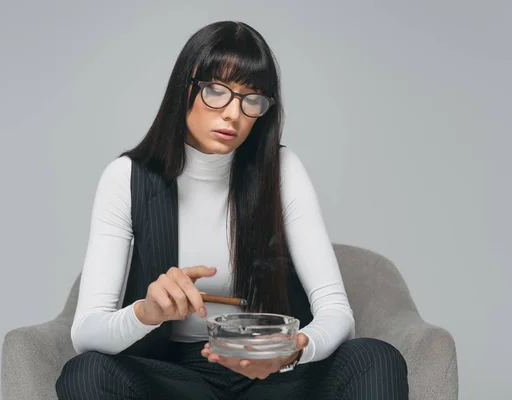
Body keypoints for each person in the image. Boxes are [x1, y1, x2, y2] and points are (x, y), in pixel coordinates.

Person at [55, 20, 409, 399]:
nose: (232, 114)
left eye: (251, 98)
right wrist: (147, 312)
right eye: (215, 91)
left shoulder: (281, 170)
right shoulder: (126, 177)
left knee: (376, 357)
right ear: (183, 89)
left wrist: (292, 350)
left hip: (270, 374)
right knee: (86, 373)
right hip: (177, 377)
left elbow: (337, 311)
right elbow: (86, 332)